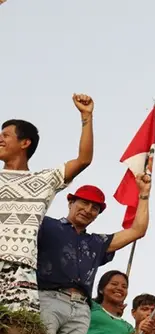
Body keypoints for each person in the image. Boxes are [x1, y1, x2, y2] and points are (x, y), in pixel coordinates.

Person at [38, 169, 151, 334]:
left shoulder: (96, 242)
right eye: (84, 203)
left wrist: (144, 193)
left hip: (81, 309)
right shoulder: (48, 225)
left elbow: (138, 230)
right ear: (70, 202)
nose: (88, 210)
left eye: (95, 208)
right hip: (48, 298)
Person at [0, 96, 93, 312]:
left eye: (5, 135)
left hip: (21, 269)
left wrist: (86, 116)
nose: (0, 139)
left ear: (25, 143)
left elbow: (83, 160)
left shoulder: (43, 180)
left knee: (17, 333)